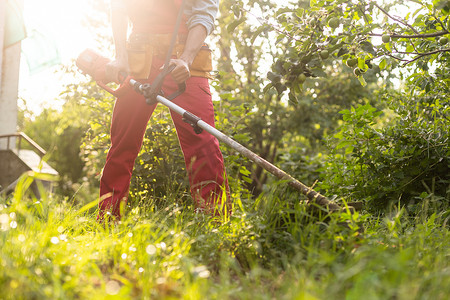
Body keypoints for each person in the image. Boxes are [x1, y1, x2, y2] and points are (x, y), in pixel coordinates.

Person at [99, 0, 229, 220]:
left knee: (203, 143)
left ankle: (215, 221)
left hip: (185, 58)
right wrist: (120, 56)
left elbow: (204, 13)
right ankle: (108, 220)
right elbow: (119, 6)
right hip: (139, 58)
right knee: (123, 143)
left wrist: (186, 59)